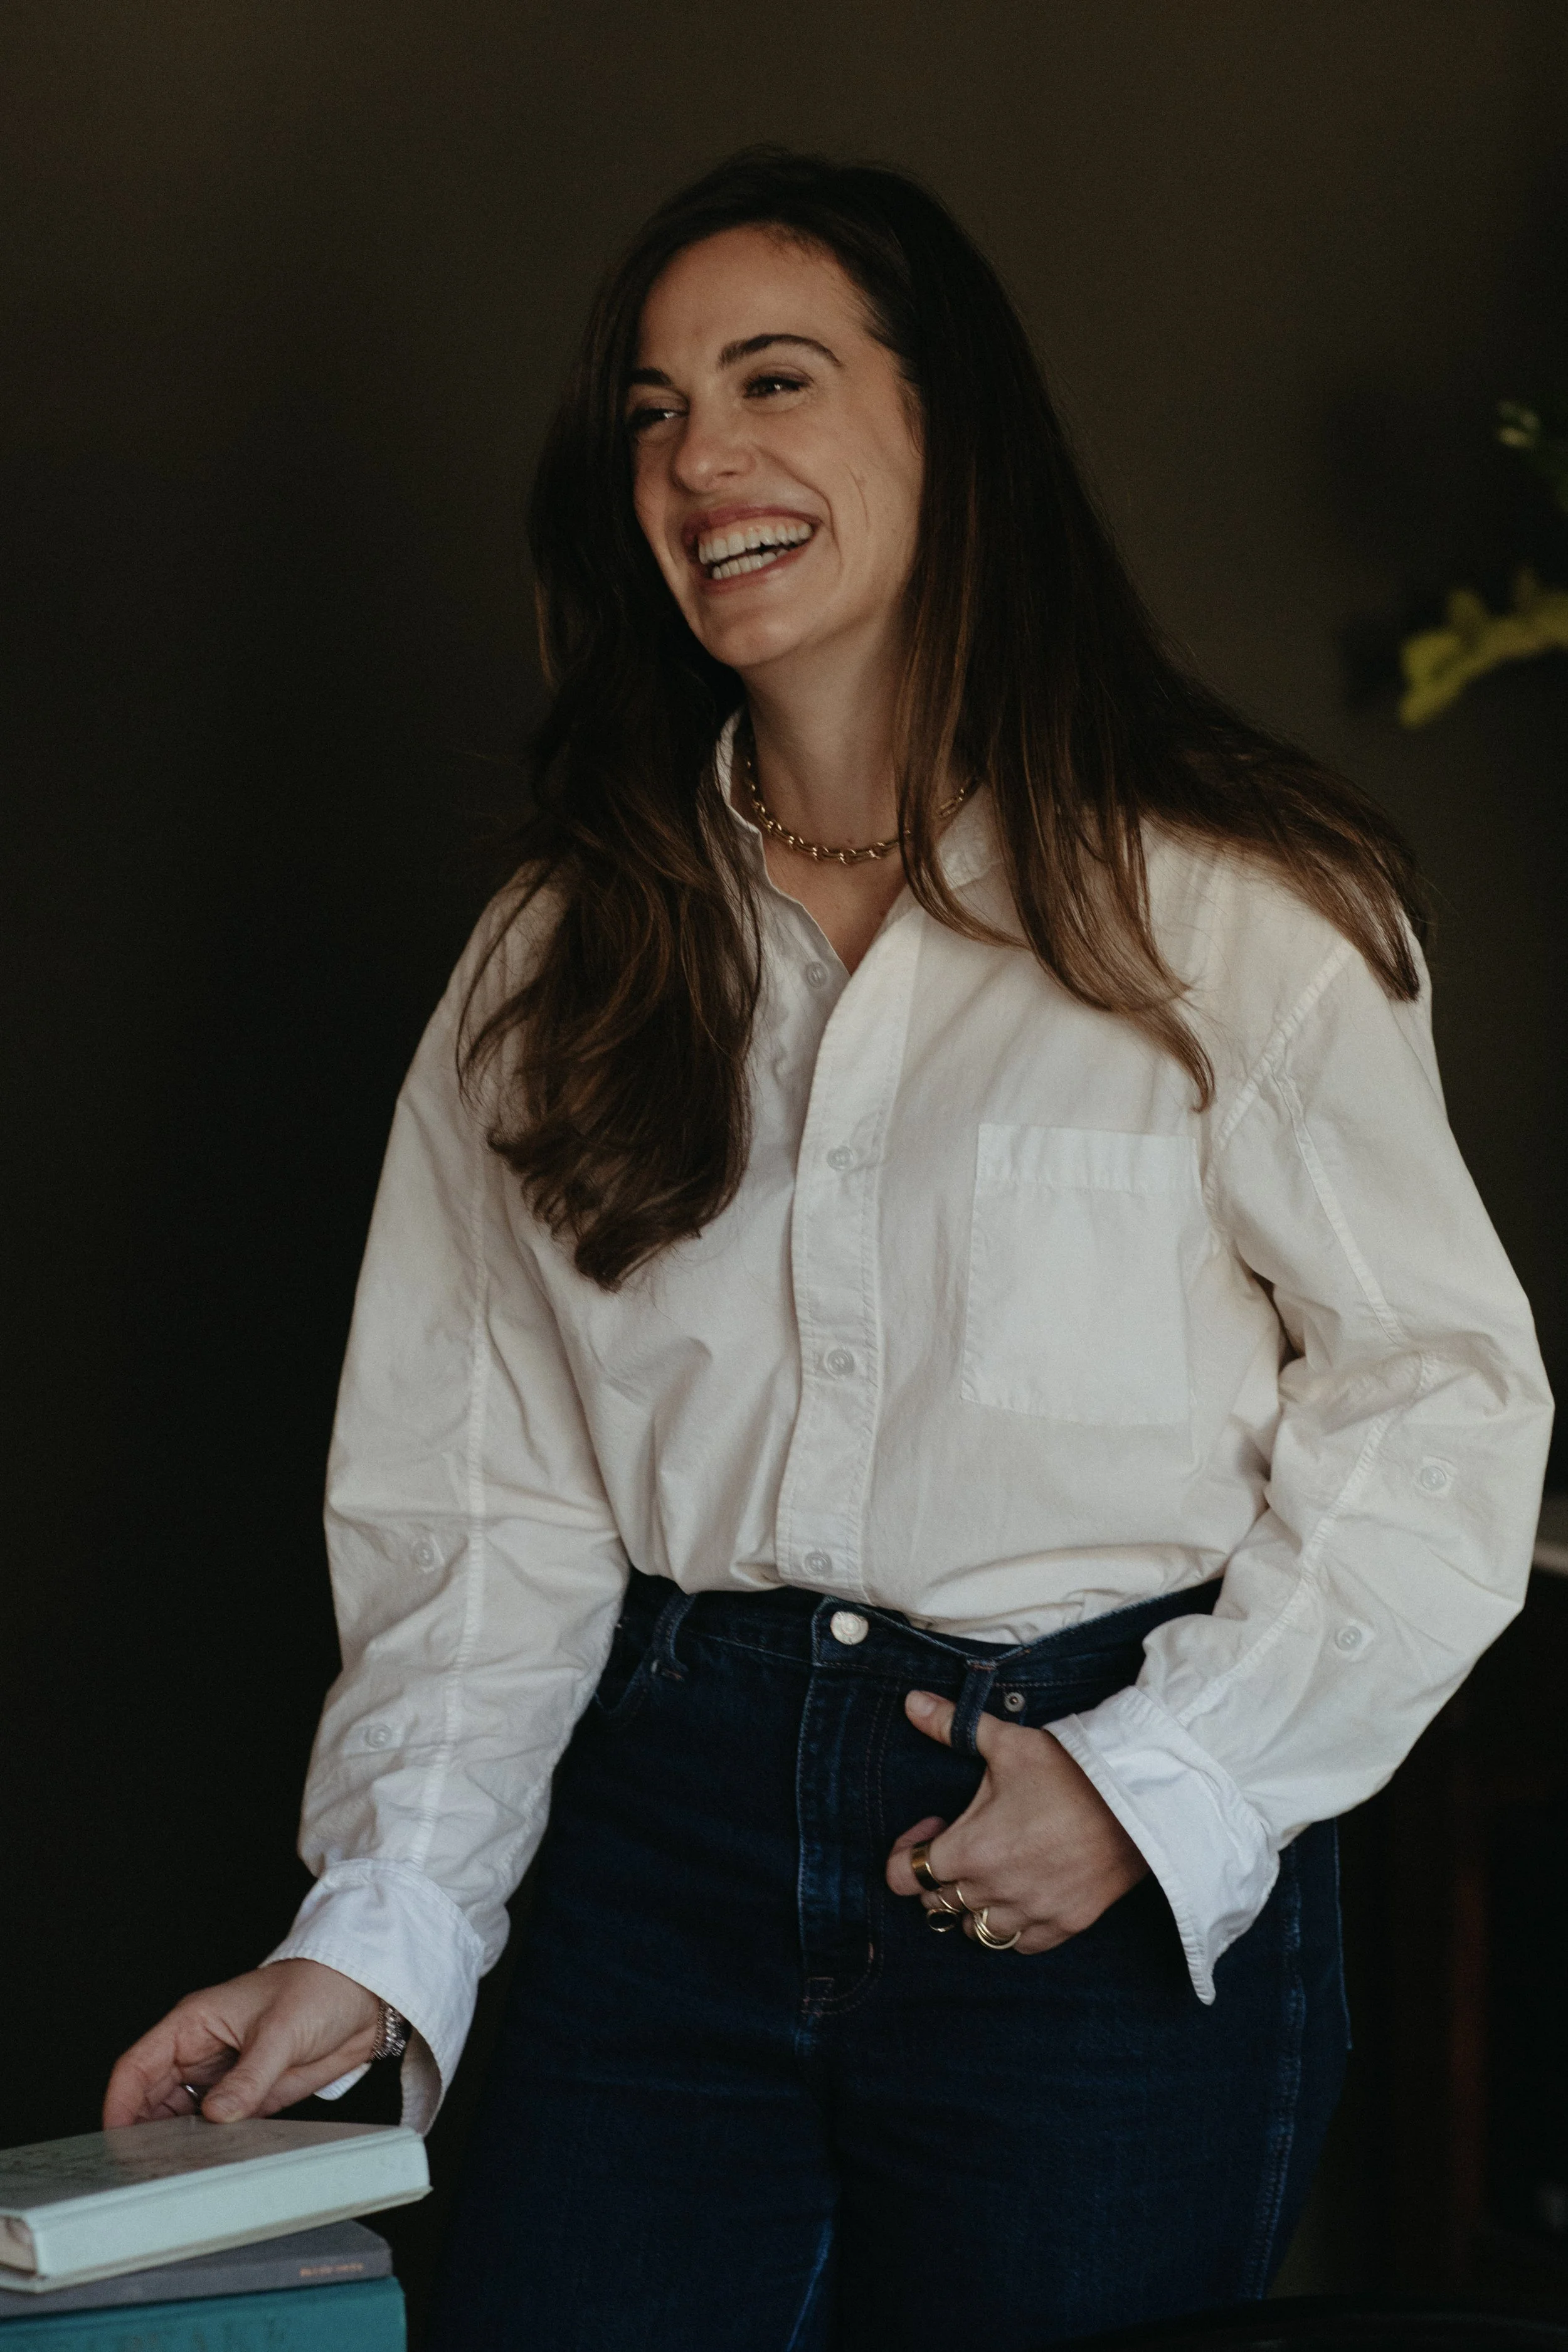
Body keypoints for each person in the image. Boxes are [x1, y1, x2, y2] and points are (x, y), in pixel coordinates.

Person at [105, 149, 1552, 2348]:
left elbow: (1438, 1403)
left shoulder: (1228, 907)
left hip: (1077, 1847)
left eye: (771, 380)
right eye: (655, 414)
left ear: (947, 428)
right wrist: (379, 1933)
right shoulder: (556, 955)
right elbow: (483, 1512)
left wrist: (1152, 1788)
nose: (701, 461)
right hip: (651, 1843)